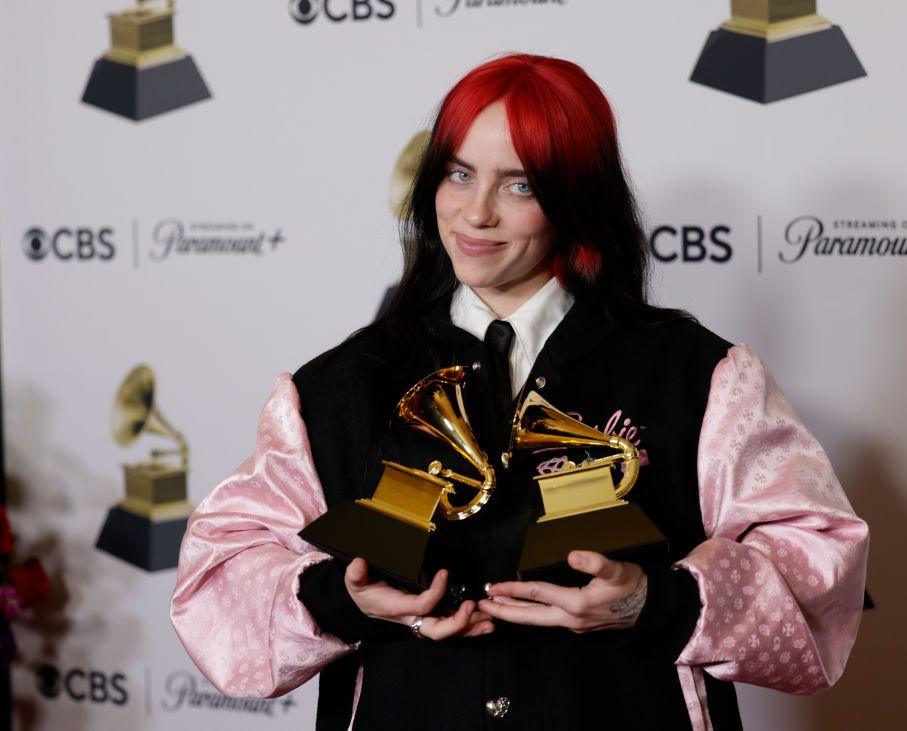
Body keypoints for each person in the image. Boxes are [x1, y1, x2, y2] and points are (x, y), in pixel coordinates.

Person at [169, 53, 869, 730]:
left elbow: (819, 567)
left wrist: (656, 602)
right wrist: (340, 598)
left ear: (577, 199)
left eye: (520, 184)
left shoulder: (700, 375)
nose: (475, 214)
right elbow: (219, 583)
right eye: (458, 173)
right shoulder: (335, 388)